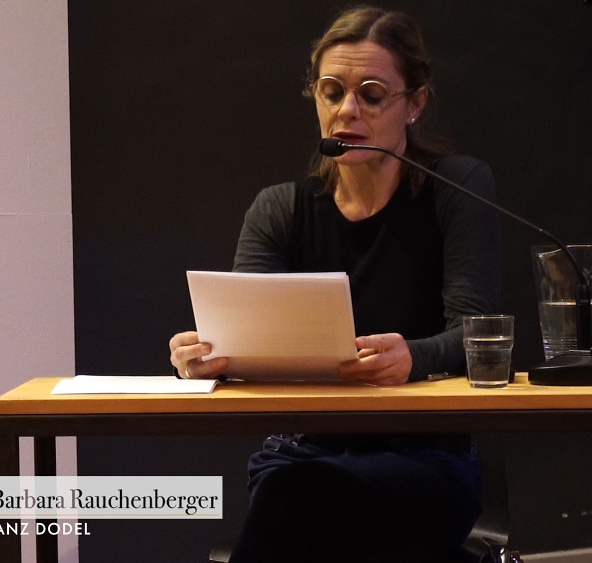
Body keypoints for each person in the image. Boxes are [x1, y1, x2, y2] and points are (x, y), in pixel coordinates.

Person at [168, 6, 502, 562]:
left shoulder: (456, 188)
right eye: (331, 92)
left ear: (414, 103)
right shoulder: (281, 209)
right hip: (303, 451)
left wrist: (413, 358)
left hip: (425, 456)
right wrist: (208, 355)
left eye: (372, 95)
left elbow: (476, 332)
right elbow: (245, 344)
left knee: (300, 504)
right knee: (299, 492)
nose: (347, 110)